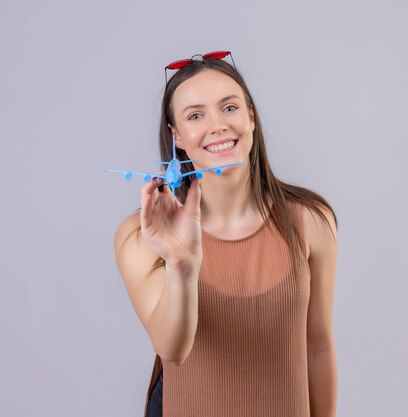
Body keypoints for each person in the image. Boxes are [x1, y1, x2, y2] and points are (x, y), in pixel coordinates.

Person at [113, 51, 339, 417]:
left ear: (251, 117)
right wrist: (182, 263)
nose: (217, 126)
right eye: (196, 116)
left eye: (229, 108)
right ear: (178, 137)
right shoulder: (139, 237)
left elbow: (318, 347)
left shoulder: (311, 220)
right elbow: (171, 348)